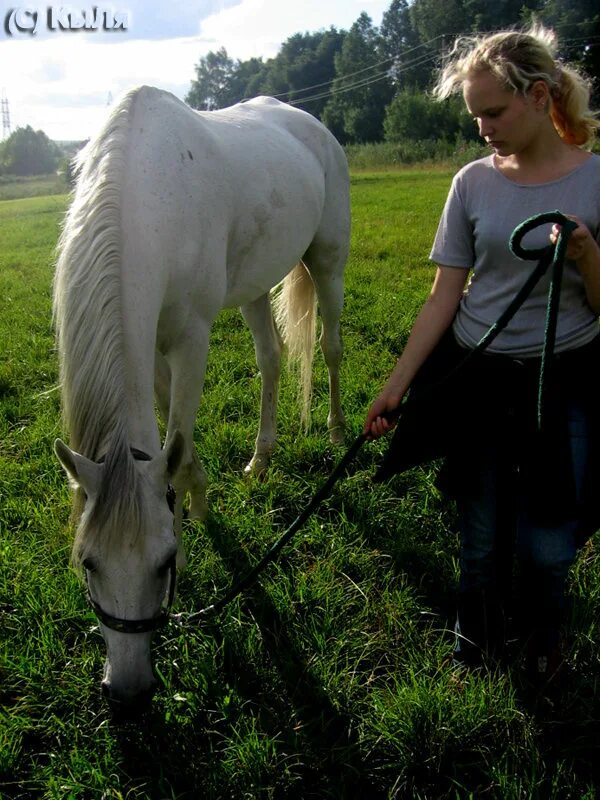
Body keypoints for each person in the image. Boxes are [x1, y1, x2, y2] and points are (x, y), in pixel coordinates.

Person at [364, 25, 600, 680]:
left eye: (493, 112)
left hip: (565, 379)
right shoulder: (471, 183)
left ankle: (545, 630)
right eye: (475, 116)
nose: (483, 128)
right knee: (480, 532)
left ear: (539, 95)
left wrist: (585, 253)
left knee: (550, 545)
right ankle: (477, 640)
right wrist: (397, 384)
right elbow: (445, 296)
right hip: (478, 376)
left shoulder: (597, 182)